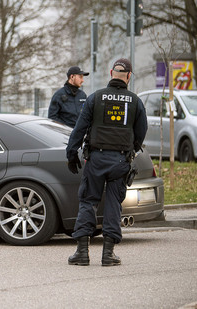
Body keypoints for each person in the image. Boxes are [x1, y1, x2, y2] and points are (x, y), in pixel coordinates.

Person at [65, 58, 147, 266]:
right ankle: (108, 254)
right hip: (120, 161)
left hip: (96, 159)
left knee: (88, 201)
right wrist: (130, 152)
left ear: (111, 73)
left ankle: (82, 253)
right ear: (129, 76)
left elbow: (79, 128)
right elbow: (140, 133)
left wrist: (71, 153)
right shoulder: (135, 102)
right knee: (113, 204)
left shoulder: (95, 98)